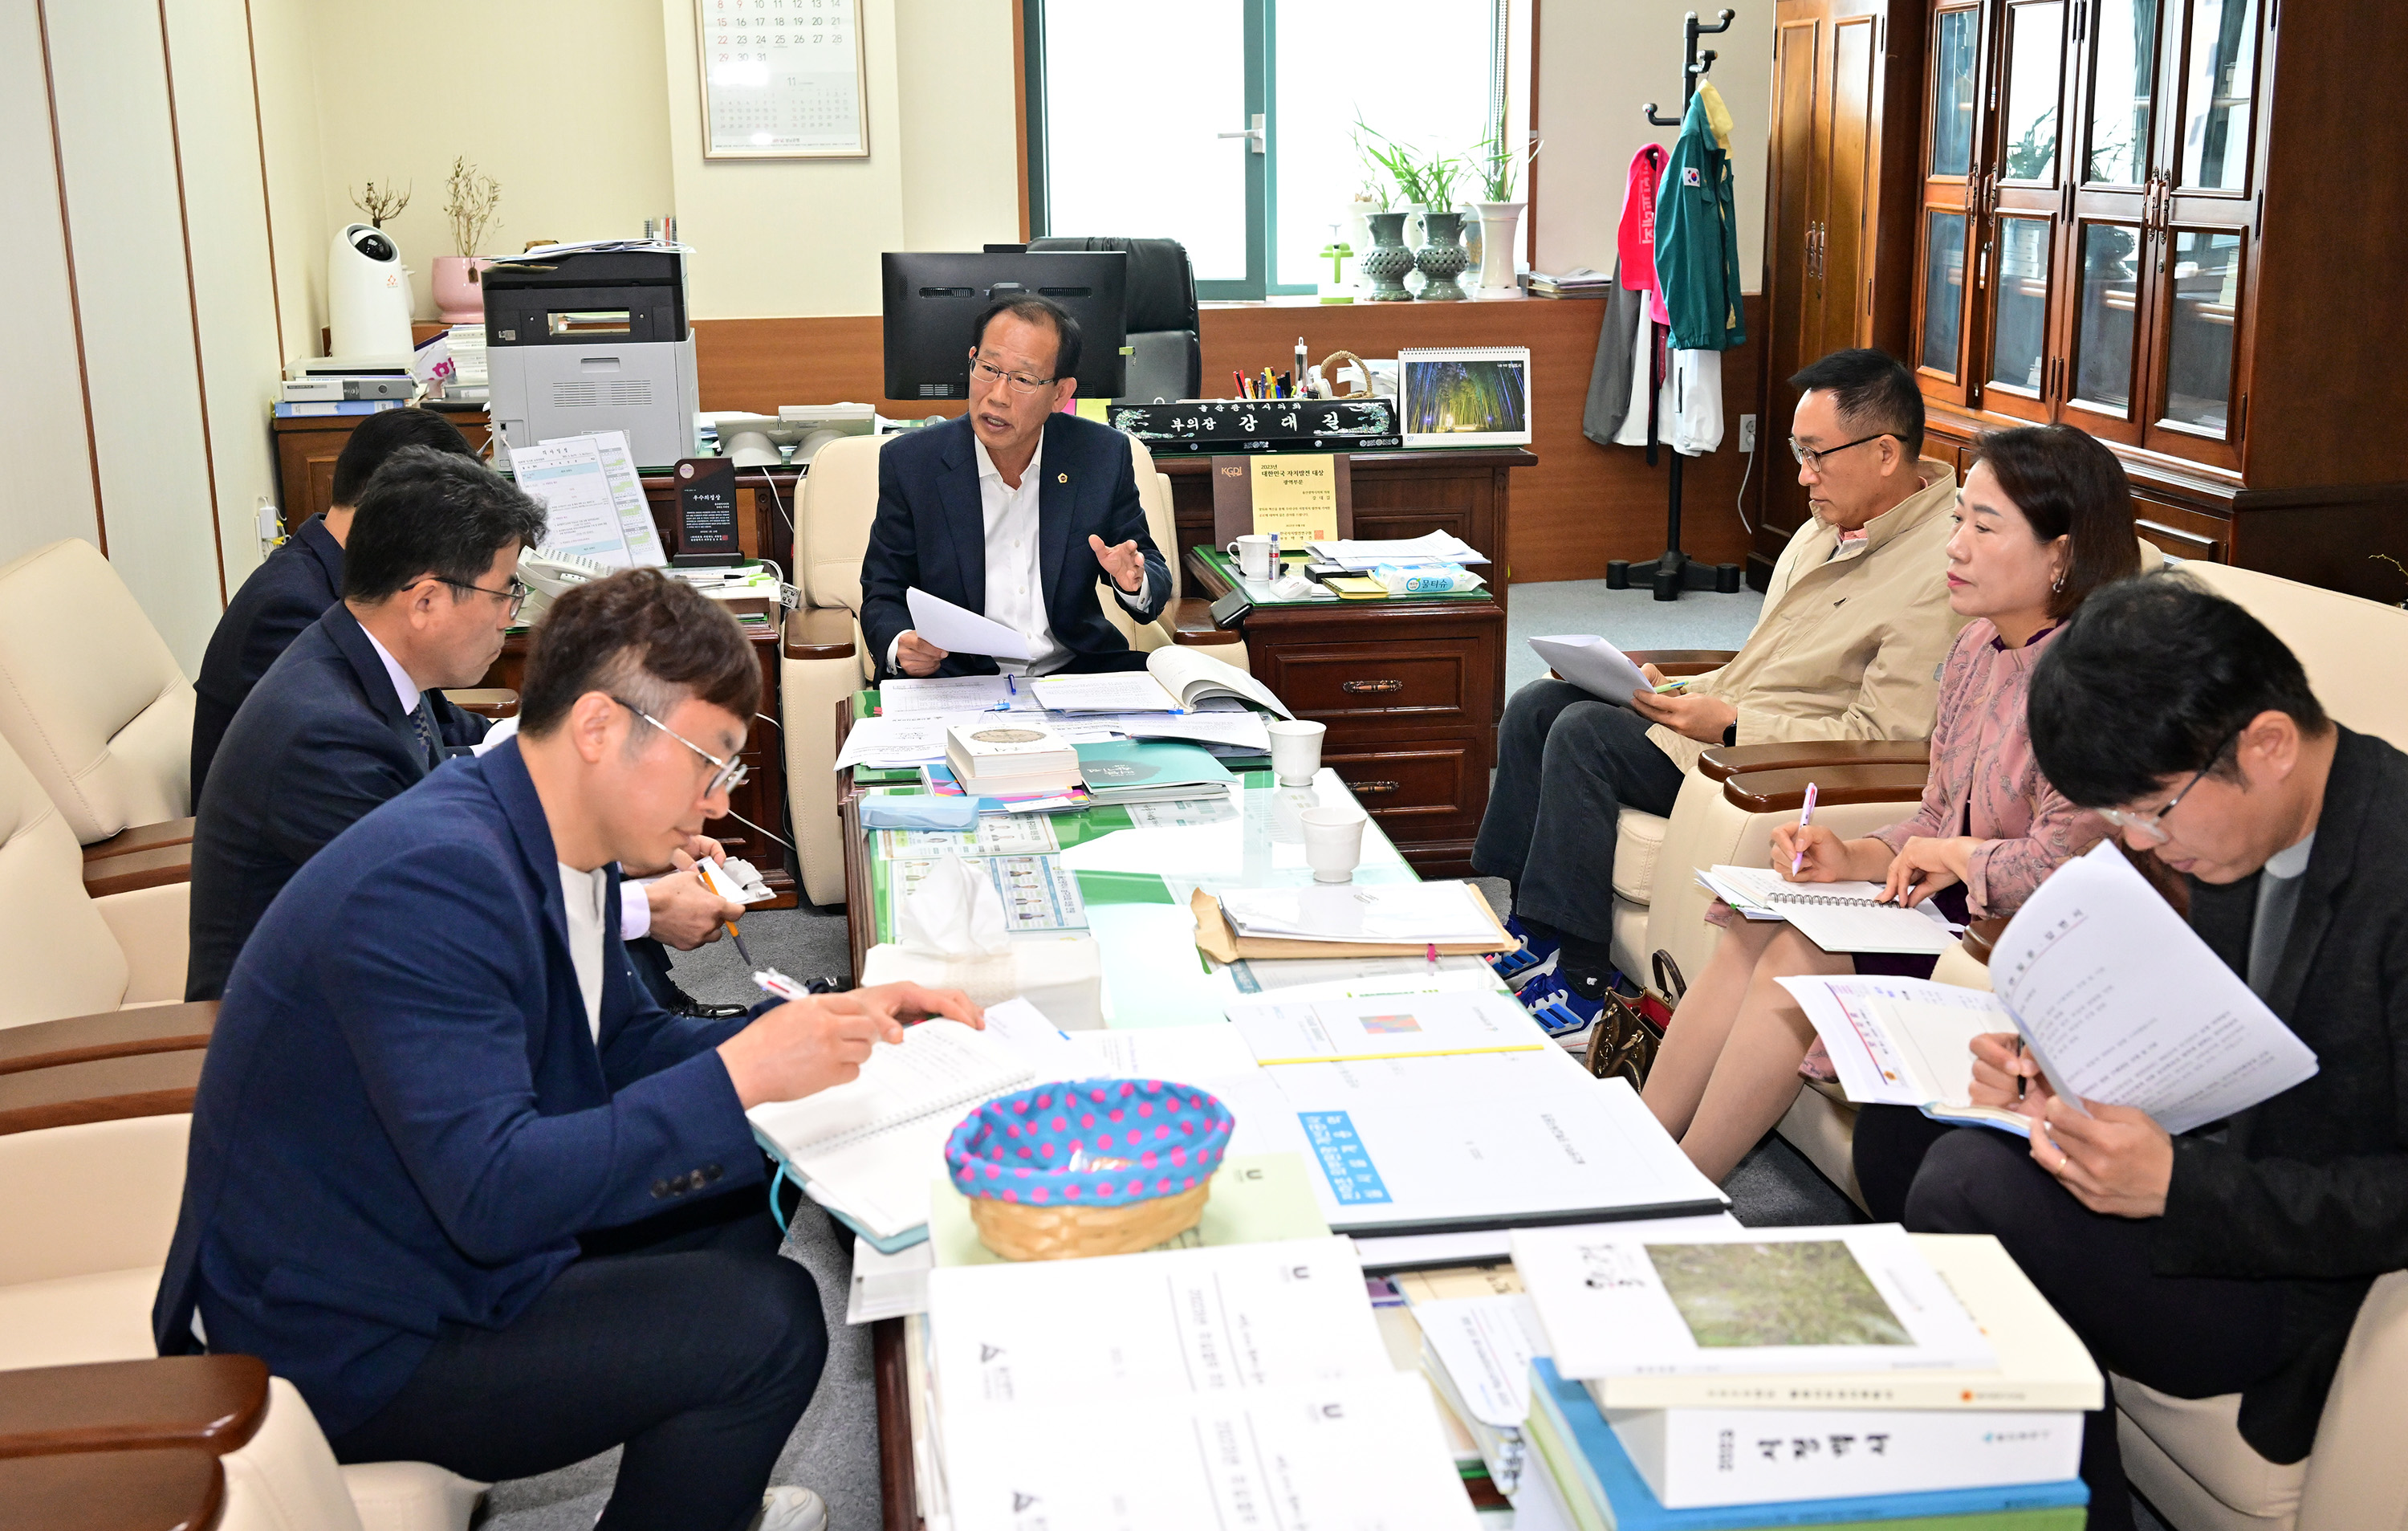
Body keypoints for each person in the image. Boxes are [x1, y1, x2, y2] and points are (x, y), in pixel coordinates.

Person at [155, 567, 985, 1531]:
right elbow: (494, 1192)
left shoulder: (547, 830)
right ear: (598, 728)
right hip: (346, 1332)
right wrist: (746, 1072)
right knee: (767, 1324)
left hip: (431, 1234)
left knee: (747, 1184)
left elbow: (621, 1043)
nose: (719, 805)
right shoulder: (430, 886)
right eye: (706, 763)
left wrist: (830, 1025)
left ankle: (687, 1495)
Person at [1850, 575, 2408, 1531]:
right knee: (1905, 1126)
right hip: (2190, 1166)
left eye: (2154, 812)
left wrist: (2177, 1187)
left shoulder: (2392, 864)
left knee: (1964, 1185)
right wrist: (2053, 1076)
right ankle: (2009, 1469)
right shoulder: (2235, 829)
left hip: (2279, 1264)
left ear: (2267, 743)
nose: (2148, 842)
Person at [1641, 425, 2141, 1180]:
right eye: (1957, 520)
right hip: (1942, 911)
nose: (1956, 545)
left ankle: (1682, 1182)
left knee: (1801, 948)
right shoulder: (1976, 649)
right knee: (1759, 917)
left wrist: (1956, 858)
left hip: (2008, 945)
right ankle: (1642, 1150)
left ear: (2062, 552)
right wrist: (1854, 854)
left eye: (1984, 525)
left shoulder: (2097, 686)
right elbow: (1935, 816)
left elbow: (2066, 868)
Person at [1477, 349, 1963, 1026]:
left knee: (1584, 736)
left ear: (1885, 452)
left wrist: (1734, 725)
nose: (1802, 475)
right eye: (1800, 451)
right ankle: (1534, 926)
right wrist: (1669, 685)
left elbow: (1886, 736)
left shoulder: (1941, 568)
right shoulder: (1827, 529)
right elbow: (1762, 662)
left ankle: (1585, 977)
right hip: (1731, 724)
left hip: (1770, 763)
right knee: (1535, 706)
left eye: (1817, 455)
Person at [185, 448, 745, 1007]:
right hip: (316, 1023)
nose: (512, 613)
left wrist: (623, 847)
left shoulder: (369, 665)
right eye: (506, 590)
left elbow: (464, 846)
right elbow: (443, 909)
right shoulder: (324, 737)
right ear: (426, 600)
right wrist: (645, 908)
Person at [859, 295, 1168, 679]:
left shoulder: (1101, 456)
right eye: (988, 368)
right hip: (956, 679)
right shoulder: (911, 463)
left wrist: (1133, 580)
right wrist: (901, 641)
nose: (997, 395)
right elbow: (883, 591)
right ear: (972, 360)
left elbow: (1147, 565)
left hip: (1075, 677)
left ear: (1060, 394)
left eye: (1023, 379)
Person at [190, 406, 478, 802]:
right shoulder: (292, 609)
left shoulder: (364, 581)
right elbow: (354, 765)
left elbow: (428, 720)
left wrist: (515, 739)